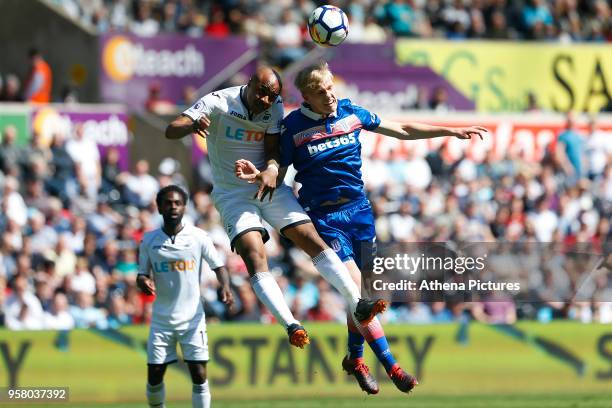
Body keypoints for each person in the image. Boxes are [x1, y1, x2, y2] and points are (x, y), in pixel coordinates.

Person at [236, 61, 488, 394]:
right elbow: (277, 167)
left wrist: (449, 131)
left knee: (360, 297)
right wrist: (264, 173)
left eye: (330, 88)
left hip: (361, 213)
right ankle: (391, 366)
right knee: (355, 288)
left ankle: (355, 358)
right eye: (320, 92)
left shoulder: (351, 113)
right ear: (306, 97)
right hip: (324, 219)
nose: (329, 95)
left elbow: (402, 129)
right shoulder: (293, 127)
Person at [165, 67, 385, 351]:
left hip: (268, 186)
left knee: (311, 238)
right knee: (255, 253)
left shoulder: (275, 108)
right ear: (250, 84)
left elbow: (272, 149)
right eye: (263, 94)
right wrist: (192, 124)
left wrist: (268, 170)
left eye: (273, 96)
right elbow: (172, 128)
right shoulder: (218, 101)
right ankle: (291, 325)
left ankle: (358, 303)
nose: (267, 101)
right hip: (234, 195)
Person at [136, 185, 234, 408]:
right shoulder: (149, 240)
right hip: (161, 319)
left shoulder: (198, 237)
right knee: (155, 373)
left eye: (177, 203)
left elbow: (219, 266)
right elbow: (141, 274)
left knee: (199, 373)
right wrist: (144, 282)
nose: (173, 207)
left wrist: (226, 287)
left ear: (184, 207)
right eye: (168, 203)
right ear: (159, 207)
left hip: (192, 318)